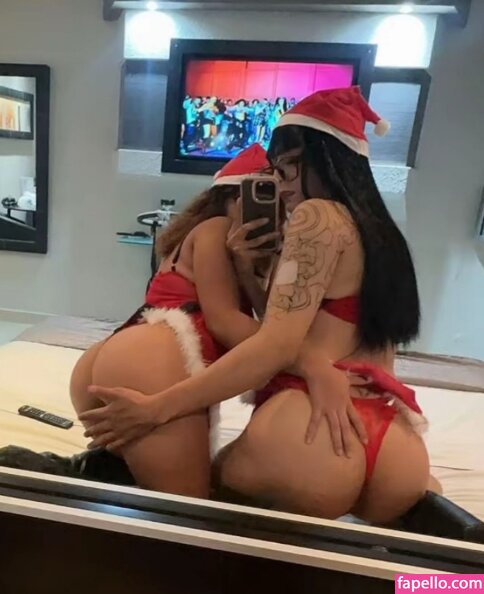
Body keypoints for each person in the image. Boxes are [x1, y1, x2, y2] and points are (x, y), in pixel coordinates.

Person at [83, 88, 431, 524]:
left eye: (286, 170)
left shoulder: (316, 217)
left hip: (312, 432)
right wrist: (249, 272)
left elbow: (274, 346)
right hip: (395, 445)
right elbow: (307, 326)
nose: (281, 187)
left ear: (320, 159)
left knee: (201, 510)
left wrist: (158, 408)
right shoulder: (381, 233)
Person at [69, 144, 278, 497]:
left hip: (127, 355)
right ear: (230, 198)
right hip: (154, 365)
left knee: (147, 498)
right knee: (189, 513)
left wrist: (247, 271)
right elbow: (225, 322)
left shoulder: (213, 241)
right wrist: (308, 359)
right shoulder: (216, 228)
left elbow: (257, 321)